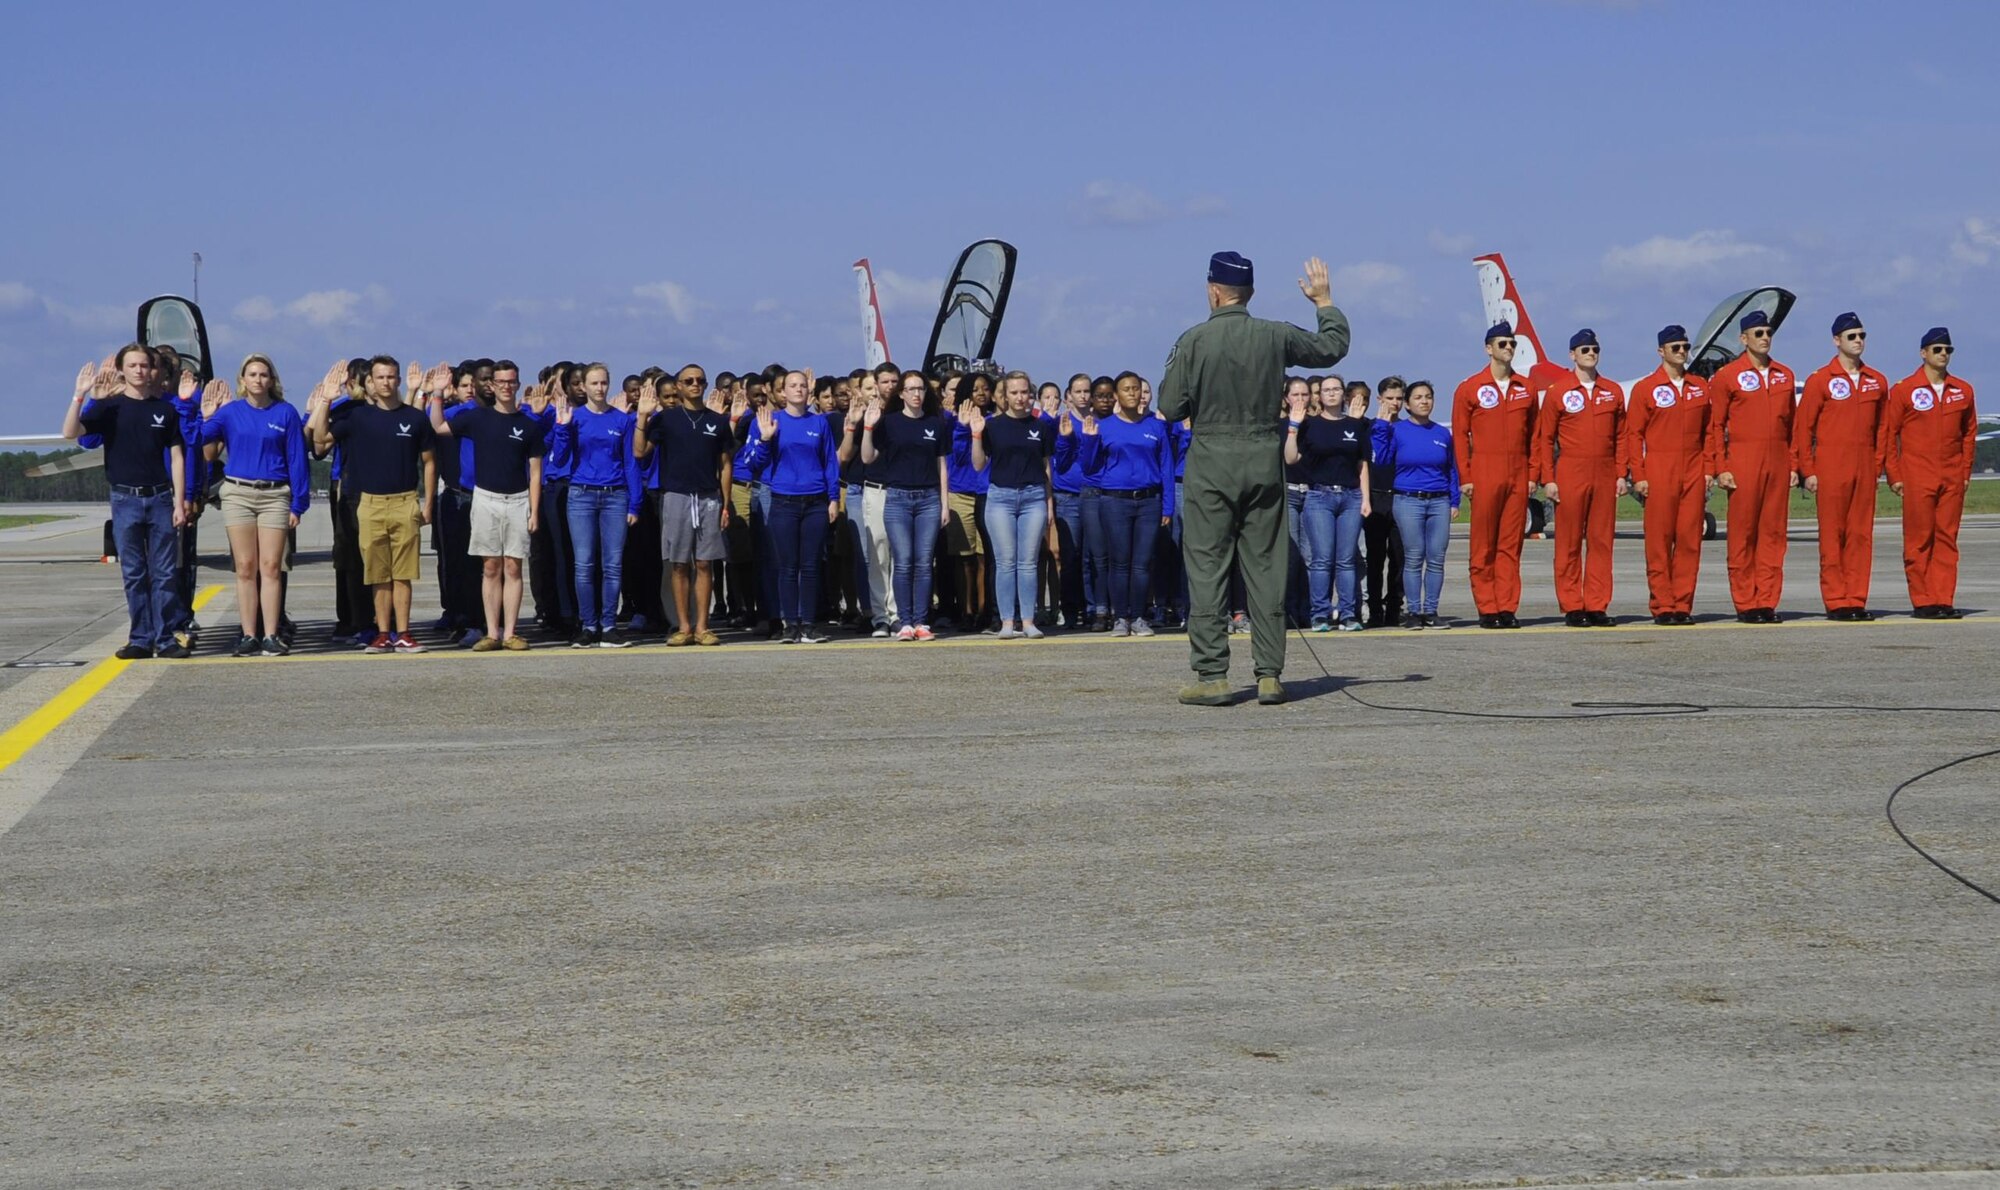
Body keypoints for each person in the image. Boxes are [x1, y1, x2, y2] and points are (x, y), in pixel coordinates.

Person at [1158, 252, 1350, 706]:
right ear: (1250, 293)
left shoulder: (1194, 340)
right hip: (1264, 458)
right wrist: (1324, 302)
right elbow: (1331, 348)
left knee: (1208, 567)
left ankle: (1212, 675)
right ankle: (1269, 674)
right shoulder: (1274, 334)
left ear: (1213, 291)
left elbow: (1169, 407)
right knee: (1265, 566)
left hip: (1210, 463)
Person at [64, 346, 188, 658]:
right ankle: (140, 639)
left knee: (164, 574)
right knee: (134, 573)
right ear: (122, 370)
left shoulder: (166, 410)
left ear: (153, 370)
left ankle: (166, 638)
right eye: (132, 365)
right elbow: (70, 433)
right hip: (125, 499)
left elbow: (177, 458)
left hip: (160, 498)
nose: (139, 371)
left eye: (144, 365)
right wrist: (80, 396)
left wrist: (179, 502)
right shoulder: (109, 408)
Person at [313, 356, 436, 654]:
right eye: (381, 377)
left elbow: (430, 462)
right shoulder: (357, 417)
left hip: (405, 501)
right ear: (371, 381)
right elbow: (320, 437)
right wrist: (326, 402)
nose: (386, 382)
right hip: (369, 503)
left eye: (392, 377)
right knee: (377, 574)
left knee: (403, 573)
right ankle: (382, 633)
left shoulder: (415, 418)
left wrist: (428, 503)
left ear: (399, 380)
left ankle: (403, 632)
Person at [428, 359, 544, 650]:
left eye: (511, 382)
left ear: (517, 384)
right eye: (500, 382)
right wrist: (438, 394)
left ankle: (510, 633)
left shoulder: (528, 425)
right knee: (490, 567)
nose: (506, 387)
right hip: (485, 499)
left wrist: (534, 511)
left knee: (513, 568)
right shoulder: (477, 418)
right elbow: (439, 427)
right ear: (492, 385)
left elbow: (535, 473)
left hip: (517, 501)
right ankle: (492, 632)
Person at [199, 355, 309, 655]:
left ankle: (271, 634)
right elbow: (198, 442)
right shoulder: (230, 413)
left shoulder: (285, 413)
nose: (258, 380)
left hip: (275, 495)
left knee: (271, 566)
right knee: (245, 567)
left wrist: (298, 504)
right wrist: (206, 416)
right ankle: (249, 634)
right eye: (252, 374)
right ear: (242, 380)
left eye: (264, 374)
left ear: (272, 380)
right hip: (238, 494)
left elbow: (297, 460)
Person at [1794, 311, 1891, 621]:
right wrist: (1808, 470)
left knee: (1861, 535)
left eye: (1862, 336)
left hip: (1863, 467)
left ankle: (1857, 599)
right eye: (1852, 337)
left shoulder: (1877, 381)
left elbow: (1883, 429)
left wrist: (1876, 467)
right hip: (1830, 466)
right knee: (1833, 536)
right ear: (1837, 341)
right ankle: (1836, 600)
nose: (1859, 341)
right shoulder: (1820, 380)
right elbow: (1803, 429)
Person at [1532, 330, 1626, 627]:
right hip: (1571, 470)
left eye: (1595, 348)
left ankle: (1597, 605)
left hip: (1605, 471)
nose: (1590, 353)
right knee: (1569, 541)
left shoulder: (1612, 391)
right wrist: (1549, 477)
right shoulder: (1559, 391)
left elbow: (1622, 436)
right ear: (1572, 354)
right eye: (1584, 349)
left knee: (1601, 541)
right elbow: (1544, 438)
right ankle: (1573, 605)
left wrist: (1622, 473)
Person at [1710, 311, 1799, 622]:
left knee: (1773, 535)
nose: (1764, 337)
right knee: (1743, 534)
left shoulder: (1784, 375)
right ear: (1743, 338)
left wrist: (1793, 464)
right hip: (1743, 461)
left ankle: (1767, 601)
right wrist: (1721, 466)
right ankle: (1746, 602)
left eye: (1768, 332)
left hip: (1777, 460)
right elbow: (1716, 425)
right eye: (1758, 332)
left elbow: (1792, 426)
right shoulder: (1727, 376)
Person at [1622, 325, 1714, 625]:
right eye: (1675, 347)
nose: (1682, 352)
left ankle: (1682, 604)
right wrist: (1640, 474)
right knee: (1659, 541)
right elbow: (1633, 434)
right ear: (1661, 351)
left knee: (1690, 540)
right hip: (1660, 467)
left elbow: (1710, 432)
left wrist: (1709, 469)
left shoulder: (1699, 386)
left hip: (1693, 467)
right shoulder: (1646, 388)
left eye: (1685, 347)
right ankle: (1663, 605)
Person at [635, 366, 734, 646]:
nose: (695, 385)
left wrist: (725, 503)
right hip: (676, 496)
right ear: (677, 386)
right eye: (689, 381)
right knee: (678, 563)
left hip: (708, 497)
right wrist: (642, 417)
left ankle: (703, 626)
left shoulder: (718, 420)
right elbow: (639, 452)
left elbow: (726, 465)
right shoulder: (665, 419)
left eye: (700, 381)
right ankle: (683, 625)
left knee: (705, 563)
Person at [1882, 328, 1977, 619]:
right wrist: (1894, 474)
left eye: (1948, 350)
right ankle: (1923, 600)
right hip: (1917, 474)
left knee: (1947, 539)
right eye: (1937, 350)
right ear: (1924, 353)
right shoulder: (1904, 390)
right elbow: (1889, 434)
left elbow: (1968, 434)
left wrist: (1963, 473)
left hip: (1951, 476)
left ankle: (1943, 598)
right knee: (1919, 539)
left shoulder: (1963, 390)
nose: (1944, 355)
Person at [1452, 321, 1538, 629]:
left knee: (1511, 543)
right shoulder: (1470, 388)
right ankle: (1487, 607)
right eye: (1503, 344)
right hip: (1485, 470)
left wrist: (1533, 474)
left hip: (1518, 471)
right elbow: (1460, 436)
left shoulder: (1526, 388)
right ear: (1489, 348)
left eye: (1512, 344)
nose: (1509, 349)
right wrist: (1466, 476)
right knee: (1483, 544)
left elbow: (1535, 435)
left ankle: (1507, 606)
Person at [548, 363, 641, 647]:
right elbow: (560, 459)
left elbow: (630, 463)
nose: (600, 388)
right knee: (584, 564)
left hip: (615, 496)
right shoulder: (574, 417)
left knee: (612, 565)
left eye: (604, 383)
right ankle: (588, 626)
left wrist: (634, 504)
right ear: (583, 387)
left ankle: (609, 625)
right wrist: (562, 428)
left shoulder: (621, 420)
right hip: (581, 495)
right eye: (594, 383)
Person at [1079, 371, 1174, 636]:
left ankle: (1139, 617)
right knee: (1119, 563)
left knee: (1142, 563)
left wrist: (1168, 507)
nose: (1132, 393)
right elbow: (1089, 468)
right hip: (1114, 501)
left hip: (1149, 501)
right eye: (1126, 389)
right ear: (1117, 396)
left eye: (1136, 388)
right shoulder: (1105, 426)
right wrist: (1088, 441)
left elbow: (1166, 468)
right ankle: (1120, 617)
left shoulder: (1156, 426)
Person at [751, 370, 840, 643]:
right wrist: (765, 439)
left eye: (802, 385)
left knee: (811, 565)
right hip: (783, 501)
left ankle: (809, 623)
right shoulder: (771, 421)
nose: (798, 389)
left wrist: (833, 497)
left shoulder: (820, 423)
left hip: (815, 502)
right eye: (793, 385)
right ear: (783, 392)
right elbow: (754, 463)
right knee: (787, 566)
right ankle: (790, 624)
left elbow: (829, 462)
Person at [862, 369, 950, 640]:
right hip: (898, 497)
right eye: (910, 389)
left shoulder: (936, 423)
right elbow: (867, 457)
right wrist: (867, 427)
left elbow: (942, 466)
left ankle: (922, 621)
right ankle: (905, 621)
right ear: (901, 394)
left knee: (924, 562)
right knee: (903, 561)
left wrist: (944, 504)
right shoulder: (889, 423)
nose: (916, 394)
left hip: (928, 499)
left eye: (920, 389)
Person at [969, 371, 1053, 638]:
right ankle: (1007, 621)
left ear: (1031, 394)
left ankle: (1028, 621)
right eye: (1014, 393)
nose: (1020, 397)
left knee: (1028, 562)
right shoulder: (992, 425)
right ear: (1004, 396)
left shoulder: (1041, 427)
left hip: (1033, 497)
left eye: (1024, 392)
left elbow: (1046, 468)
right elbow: (979, 464)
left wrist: (1049, 503)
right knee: (1005, 562)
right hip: (1000, 498)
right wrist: (976, 436)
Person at [1284, 377, 1371, 630]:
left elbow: (1362, 464)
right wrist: (1293, 427)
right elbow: (1291, 458)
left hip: (1351, 496)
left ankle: (1348, 614)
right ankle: (1320, 613)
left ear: (1343, 395)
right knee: (1321, 559)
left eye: (1336, 389)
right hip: (1319, 497)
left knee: (1346, 559)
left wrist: (1365, 498)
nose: (1331, 393)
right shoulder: (1310, 425)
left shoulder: (1356, 425)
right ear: (1318, 396)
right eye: (1326, 390)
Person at [1372, 382, 1457, 628]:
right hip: (1408, 500)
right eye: (1418, 397)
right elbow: (1382, 459)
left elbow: (1452, 469)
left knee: (1437, 558)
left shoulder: (1442, 433)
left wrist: (1453, 500)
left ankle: (1431, 610)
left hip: (1438, 500)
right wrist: (1381, 427)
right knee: (1413, 556)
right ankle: (1413, 612)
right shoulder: (1398, 430)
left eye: (1428, 397)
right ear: (1407, 404)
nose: (1424, 401)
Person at [1049, 373, 1095, 629]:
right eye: (1078, 392)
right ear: (1069, 396)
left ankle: (1092, 608)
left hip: (1093, 495)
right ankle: (1069, 610)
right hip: (1067, 497)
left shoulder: (1098, 421)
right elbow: (1061, 462)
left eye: (1086, 391)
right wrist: (1066, 438)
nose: (1083, 396)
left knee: (1092, 556)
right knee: (1070, 556)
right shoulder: (1061, 422)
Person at [1362, 377, 1406, 627]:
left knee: (1399, 557)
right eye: (1390, 398)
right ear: (1380, 400)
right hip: (1376, 496)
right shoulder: (1370, 428)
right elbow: (1375, 459)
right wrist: (1382, 425)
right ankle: (1375, 609)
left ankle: (1394, 606)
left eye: (1399, 398)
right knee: (1376, 558)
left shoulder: (1404, 428)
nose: (1395, 403)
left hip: (1398, 496)